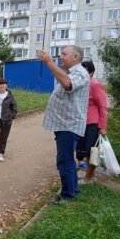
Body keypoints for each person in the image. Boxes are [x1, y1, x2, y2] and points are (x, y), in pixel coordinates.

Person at [37, 45, 90, 204]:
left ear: (76, 57)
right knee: (67, 159)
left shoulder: (80, 72)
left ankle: (67, 196)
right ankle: (73, 189)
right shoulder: (72, 72)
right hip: (64, 124)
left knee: (64, 160)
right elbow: (64, 79)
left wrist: (48, 62)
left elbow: (67, 84)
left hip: (69, 125)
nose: (61, 56)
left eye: (64, 54)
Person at [76, 60, 107, 183]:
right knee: (82, 151)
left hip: (92, 124)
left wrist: (102, 127)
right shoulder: (81, 86)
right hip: (81, 123)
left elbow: (103, 107)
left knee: (92, 153)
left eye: (85, 72)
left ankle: (88, 178)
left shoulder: (95, 85)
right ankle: (90, 176)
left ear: (92, 72)